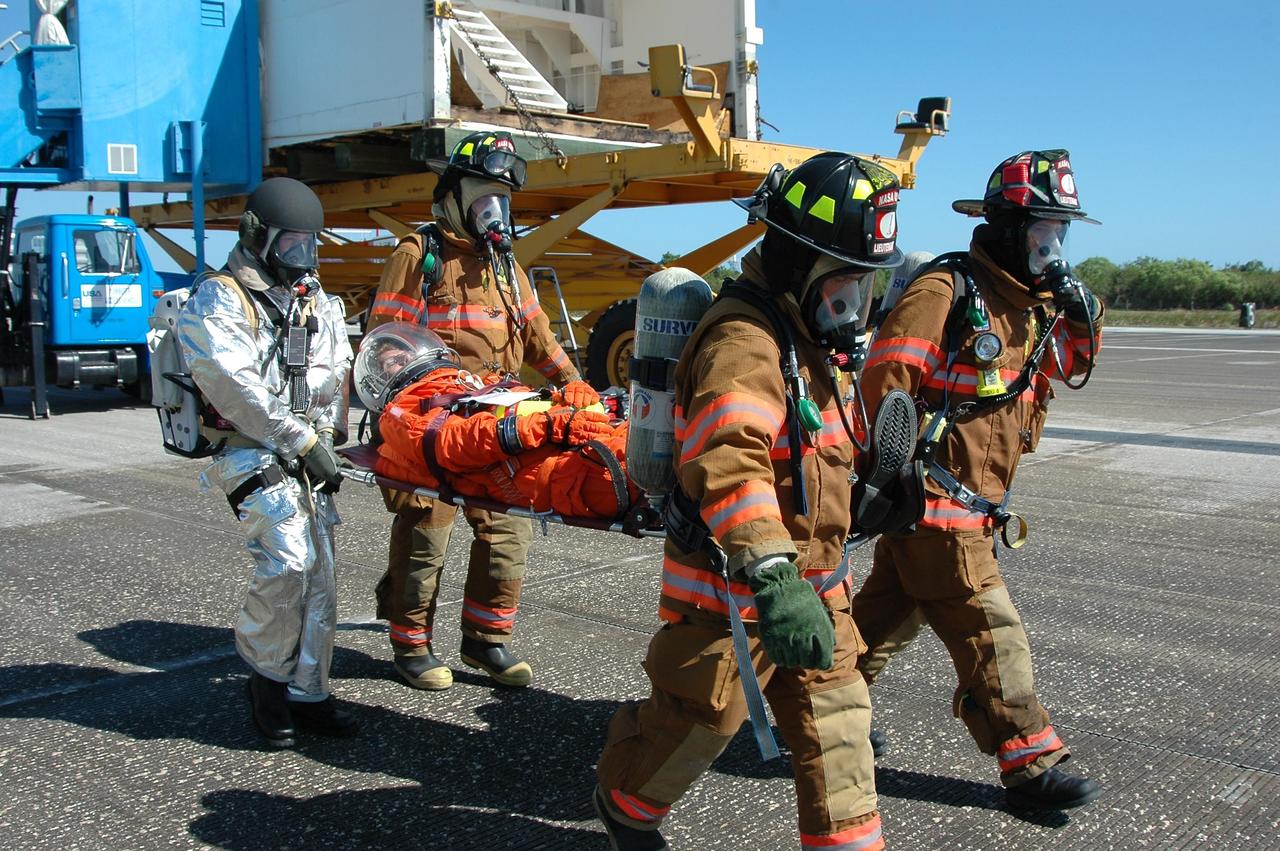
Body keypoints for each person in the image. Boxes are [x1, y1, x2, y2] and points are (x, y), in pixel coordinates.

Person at [593, 153, 909, 851]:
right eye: (845, 284)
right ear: (799, 263)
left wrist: (874, 495)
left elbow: (820, 452)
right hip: (730, 593)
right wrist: (771, 570)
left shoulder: (812, 341)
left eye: (865, 286)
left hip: (816, 590)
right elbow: (731, 457)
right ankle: (624, 803)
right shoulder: (745, 341)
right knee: (697, 722)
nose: (854, 305)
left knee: (840, 732)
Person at [851, 149, 1105, 809]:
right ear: (1003, 225)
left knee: (871, 628)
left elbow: (1072, 365)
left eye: (1059, 232)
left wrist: (1083, 315)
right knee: (991, 633)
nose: (1050, 246)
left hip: (971, 508)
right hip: (936, 507)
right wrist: (894, 478)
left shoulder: (1033, 304)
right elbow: (886, 379)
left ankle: (815, 715)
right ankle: (1030, 761)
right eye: (1040, 230)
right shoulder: (948, 290)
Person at [366, 131, 596, 690]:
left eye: (503, 199)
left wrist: (574, 384)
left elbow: (539, 337)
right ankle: (410, 643)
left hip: (498, 423)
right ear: (453, 197)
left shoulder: (507, 267)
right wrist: (397, 426)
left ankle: (485, 641)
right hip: (435, 421)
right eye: (484, 197)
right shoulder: (417, 258)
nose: (495, 211)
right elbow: (385, 342)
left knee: (508, 528)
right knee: (427, 528)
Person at [177, 177, 356, 748]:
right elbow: (235, 386)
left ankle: (309, 692)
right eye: (290, 245)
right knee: (288, 563)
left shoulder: (316, 302)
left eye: (309, 245)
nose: (301, 259)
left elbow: (333, 371)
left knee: (322, 572)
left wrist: (324, 438)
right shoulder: (220, 298)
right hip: (250, 447)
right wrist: (301, 441)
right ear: (258, 237)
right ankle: (266, 684)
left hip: (307, 447)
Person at [354, 322, 637, 518]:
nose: (404, 360)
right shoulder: (402, 412)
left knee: (660, 441)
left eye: (404, 354)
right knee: (647, 474)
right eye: (393, 361)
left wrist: (568, 397)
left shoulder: (465, 383)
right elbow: (450, 442)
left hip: (571, 443)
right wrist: (545, 427)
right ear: (381, 378)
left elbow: (518, 399)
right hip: (552, 471)